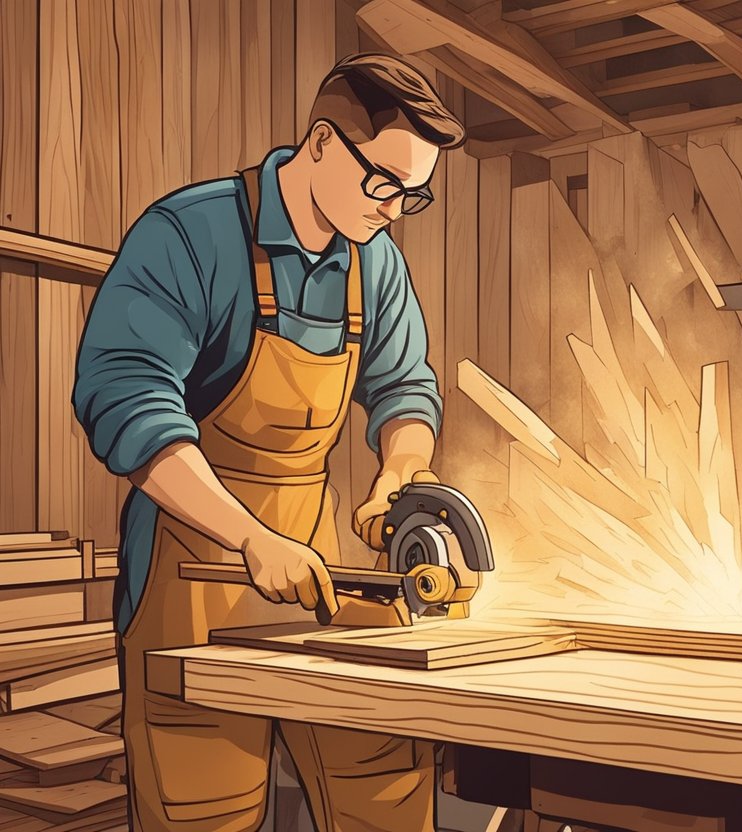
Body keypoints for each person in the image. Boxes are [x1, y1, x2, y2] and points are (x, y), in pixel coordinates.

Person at [72, 53, 464, 832]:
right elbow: (125, 398)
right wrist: (251, 538)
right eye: (383, 182)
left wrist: (401, 472)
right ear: (322, 143)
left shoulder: (373, 261)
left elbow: (403, 386)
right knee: (202, 805)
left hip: (315, 557)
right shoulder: (189, 234)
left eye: (412, 195)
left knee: (383, 776)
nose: (393, 208)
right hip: (194, 568)